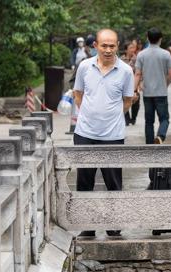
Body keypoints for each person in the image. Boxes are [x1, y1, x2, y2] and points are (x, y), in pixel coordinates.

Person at [73, 28, 135, 238]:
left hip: (113, 135)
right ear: (96, 46)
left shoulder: (126, 71)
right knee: (84, 181)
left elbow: (128, 101)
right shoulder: (84, 67)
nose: (108, 50)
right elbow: (78, 93)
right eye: (104, 46)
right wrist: (89, 115)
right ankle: (88, 226)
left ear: (118, 46)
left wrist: (110, 116)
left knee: (113, 182)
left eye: (112, 46)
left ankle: (113, 225)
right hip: (85, 133)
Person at [135, 28, 171, 145]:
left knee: (149, 121)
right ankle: (160, 136)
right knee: (164, 119)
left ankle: (149, 145)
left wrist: (135, 88)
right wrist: (165, 84)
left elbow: (137, 73)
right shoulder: (166, 54)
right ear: (160, 39)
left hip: (147, 93)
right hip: (161, 93)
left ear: (147, 38)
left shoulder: (141, 54)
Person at [121, 39, 140, 126]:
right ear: (126, 50)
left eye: (133, 48)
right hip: (124, 84)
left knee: (135, 102)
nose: (132, 49)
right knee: (125, 100)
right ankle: (126, 118)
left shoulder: (137, 59)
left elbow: (140, 72)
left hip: (134, 83)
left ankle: (134, 118)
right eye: (130, 48)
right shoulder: (121, 59)